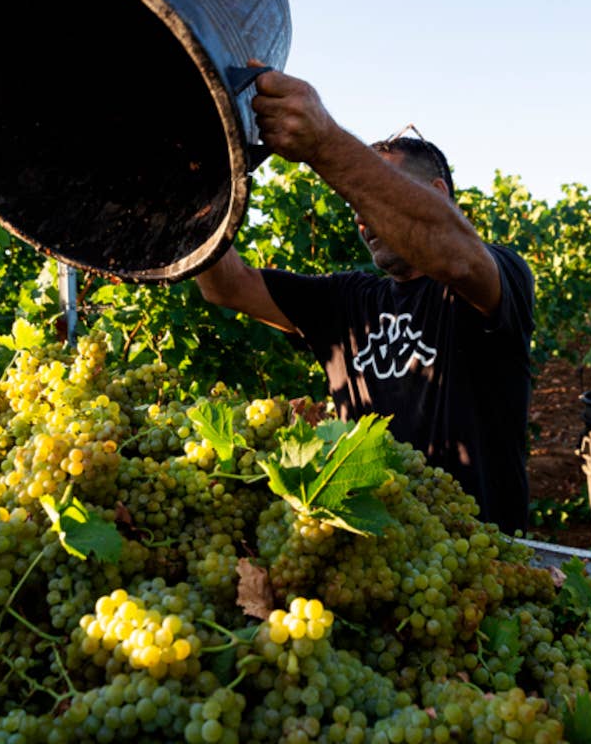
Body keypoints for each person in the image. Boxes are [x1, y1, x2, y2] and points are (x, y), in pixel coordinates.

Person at [195, 66, 535, 535]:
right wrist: (196, 182)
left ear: (439, 195)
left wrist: (325, 145)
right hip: (369, 553)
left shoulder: (492, 279)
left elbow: (455, 258)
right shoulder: (345, 301)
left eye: (375, 197)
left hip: (477, 562)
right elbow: (225, 285)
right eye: (357, 205)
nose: (361, 217)